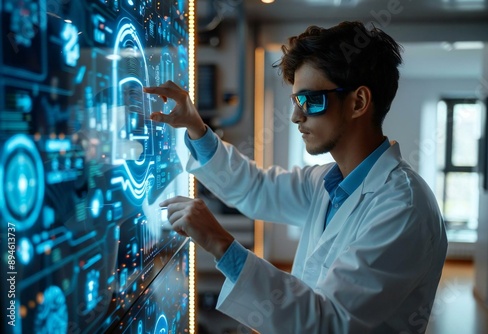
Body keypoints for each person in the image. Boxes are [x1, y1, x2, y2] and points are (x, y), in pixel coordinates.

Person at [143, 21, 448, 334]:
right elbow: (255, 188)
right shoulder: (328, 182)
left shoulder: (403, 207)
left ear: (358, 102)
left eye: (310, 100)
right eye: (295, 101)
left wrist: (221, 244)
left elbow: (329, 323)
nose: (295, 116)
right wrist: (196, 126)